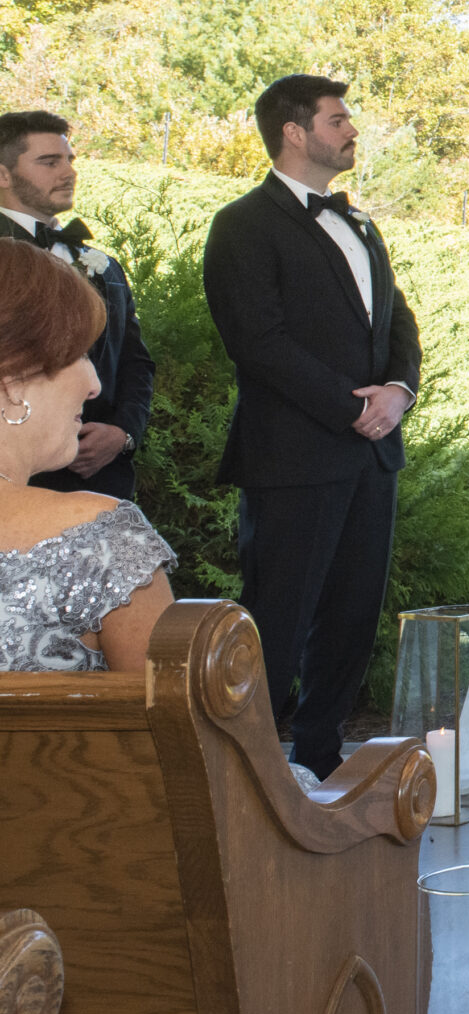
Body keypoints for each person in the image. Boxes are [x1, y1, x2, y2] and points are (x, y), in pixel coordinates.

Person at [201, 76, 421, 779]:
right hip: (292, 457)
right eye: (338, 119)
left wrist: (397, 389)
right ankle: (252, 772)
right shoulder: (242, 224)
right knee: (278, 619)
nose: (351, 130)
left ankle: (322, 761)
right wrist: (350, 405)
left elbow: (399, 323)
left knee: (354, 616)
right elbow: (257, 342)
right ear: (295, 133)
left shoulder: (363, 225)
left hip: (371, 458)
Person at [0, 242, 175, 673]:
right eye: (79, 354)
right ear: (12, 380)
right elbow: (176, 736)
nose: (94, 384)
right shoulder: (100, 541)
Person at [0, 111, 154, 498]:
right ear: (3, 175)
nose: (68, 172)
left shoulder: (104, 265)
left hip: (103, 482)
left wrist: (123, 434)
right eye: (49, 162)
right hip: (17, 483)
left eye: (70, 160)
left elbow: (136, 361)